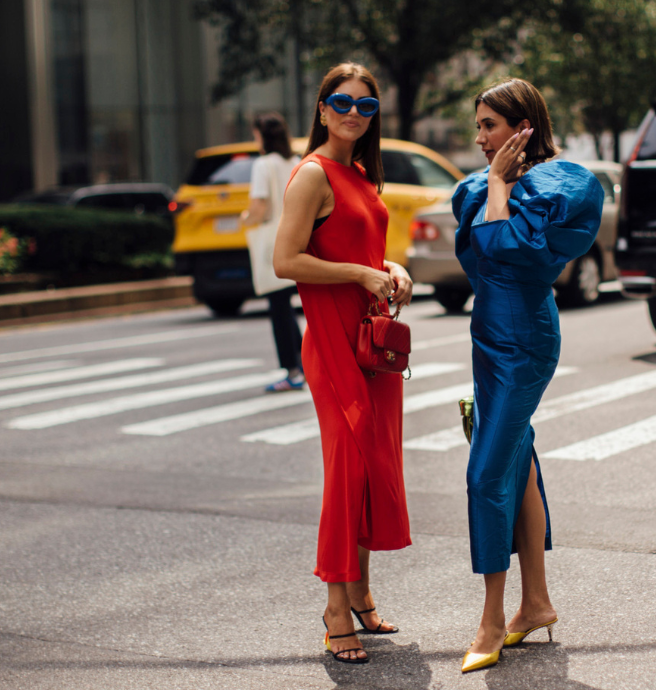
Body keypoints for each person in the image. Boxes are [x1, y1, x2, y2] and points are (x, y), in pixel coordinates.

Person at [453, 78, 604, 673]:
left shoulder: (560, 187)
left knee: (485, 474)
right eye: (478, 125)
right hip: (487, 338)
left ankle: (492, 619)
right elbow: (479, 257)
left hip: (525, 340)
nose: (480, 138)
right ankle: (536, 603)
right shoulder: (479, 186)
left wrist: (499, 185)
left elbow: (507, 248)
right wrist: (493, 184)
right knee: (519, 464)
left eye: (489, 125)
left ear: (523, 127)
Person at [273, 62, 414, 666]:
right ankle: (336, 606)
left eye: (366, 105)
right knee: (347, 469)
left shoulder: (360, 175)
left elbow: (367, 250)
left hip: (371, 343)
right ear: (322, 109)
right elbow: (285, 261)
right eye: (343, 102)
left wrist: (393, 269)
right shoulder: (312, 174)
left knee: (373, 463)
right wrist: (360, 274)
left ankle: (359, 590)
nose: (354, 113)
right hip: (333, 345)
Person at [242, 113, 305, 393]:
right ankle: (304, 366)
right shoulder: (296, 162)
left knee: (279, 310)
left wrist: (244, 219)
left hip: (272, 245)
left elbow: (259, 207)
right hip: (298, 241)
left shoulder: (263, 164)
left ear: (263, 136)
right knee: (290, 308)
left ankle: (292, 371)